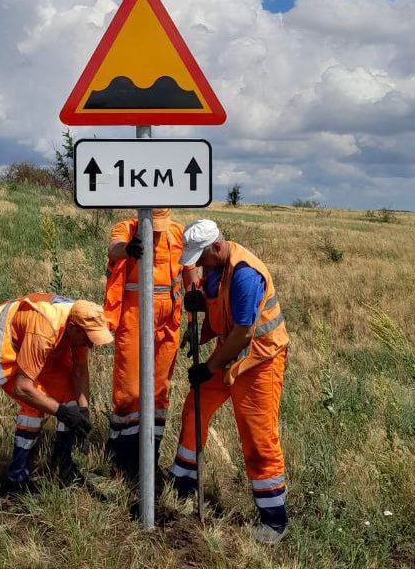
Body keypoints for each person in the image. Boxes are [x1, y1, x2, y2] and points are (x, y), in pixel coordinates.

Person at [170, 219, 290, 544]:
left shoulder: (245, 275)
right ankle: (182, 482)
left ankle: (274, 520)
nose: (199, 265)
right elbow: (219, 313)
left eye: (202, 258)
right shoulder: (216, 268)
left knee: (258, 436)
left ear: (218, 247)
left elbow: (243, 332)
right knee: (195, 408)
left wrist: (209, 367)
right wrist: (201, 331)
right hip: (229, 352)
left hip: (259, 360)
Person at [0, 292, 113, 494]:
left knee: (69, 396)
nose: (92, 344)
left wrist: (83, 411)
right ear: (73, 329)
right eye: (90, 339)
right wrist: (62, 412)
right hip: (0, 337)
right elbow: (23, 388)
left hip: (36, 338)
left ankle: (62, 466)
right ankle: (16, 479)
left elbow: (80, 369)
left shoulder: (79, 323)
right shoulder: (45, 329)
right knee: (34, 404)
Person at [104, 208, 194, 478]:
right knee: (129, 390)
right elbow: (114, 248)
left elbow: (189, 273)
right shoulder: (126, 228)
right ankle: (123, 458)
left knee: (159, 392)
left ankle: (149, 460)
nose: (156, 231)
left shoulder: (178, 232)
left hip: (169, 321)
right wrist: (128, 249)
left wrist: (194, 309)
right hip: (134, 316)